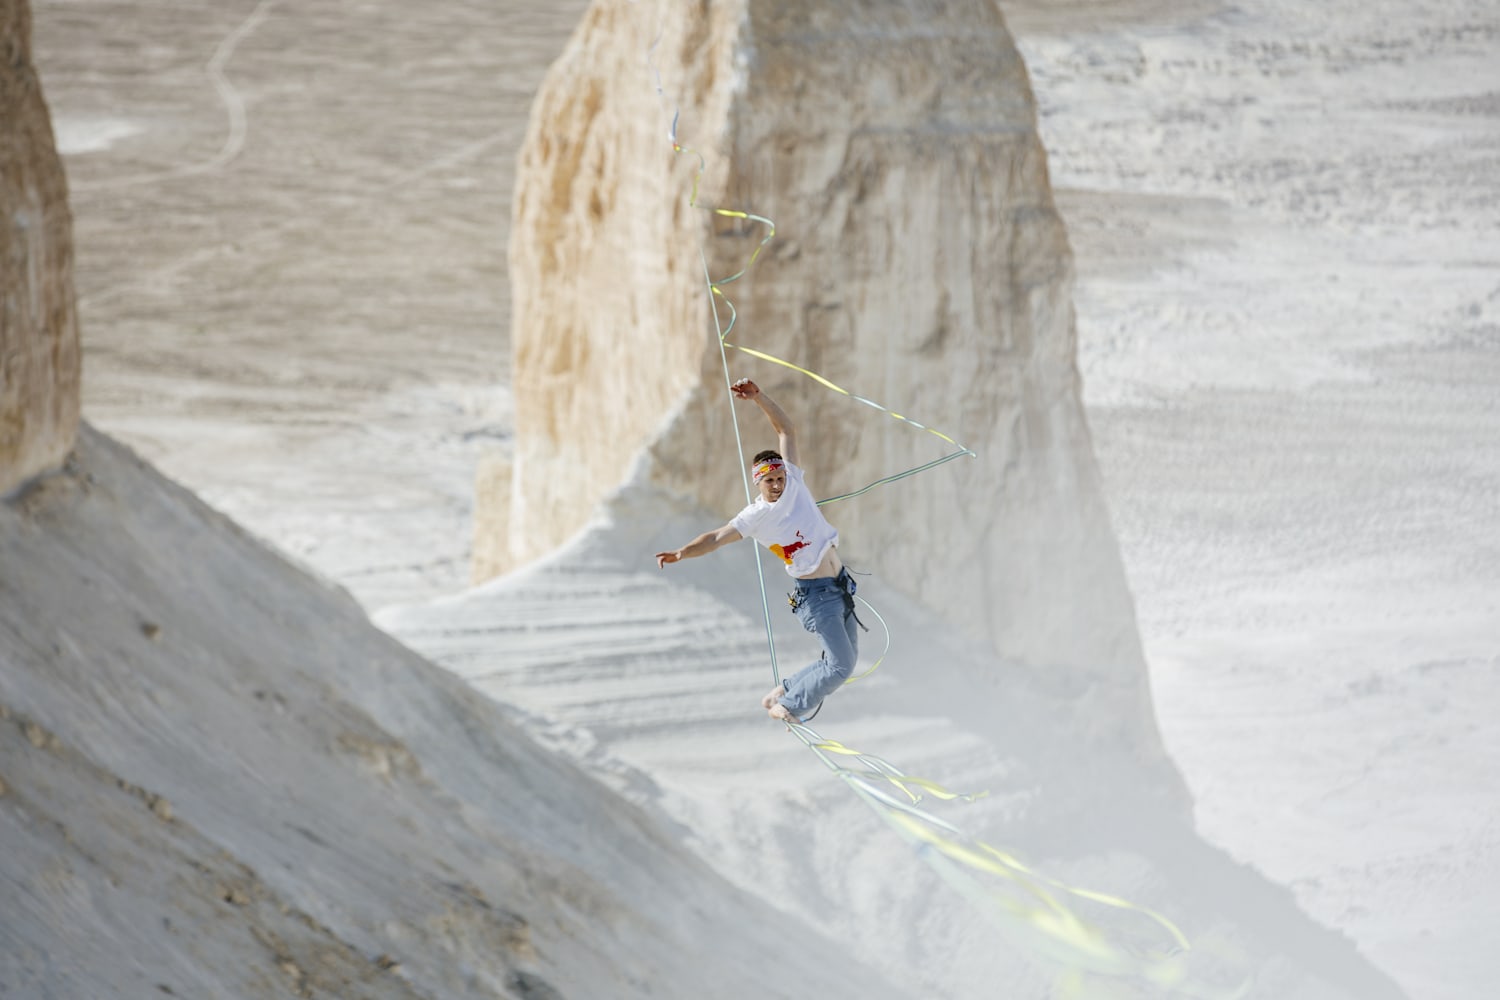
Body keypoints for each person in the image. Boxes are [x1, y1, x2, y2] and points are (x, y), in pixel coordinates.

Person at [655, 378, 862, 723]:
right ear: (758, 482)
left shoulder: (794, 480)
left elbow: (787, 431)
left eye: (780, 477)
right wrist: (680, 554)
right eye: (770, 481)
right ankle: (789, 706)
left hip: (841, 584)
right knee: (841, 667)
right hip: (817, 596)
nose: (778, 484)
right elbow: (715, 537)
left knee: (844, 660)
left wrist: (758, 398)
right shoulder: (755, 517)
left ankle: (783, 691)